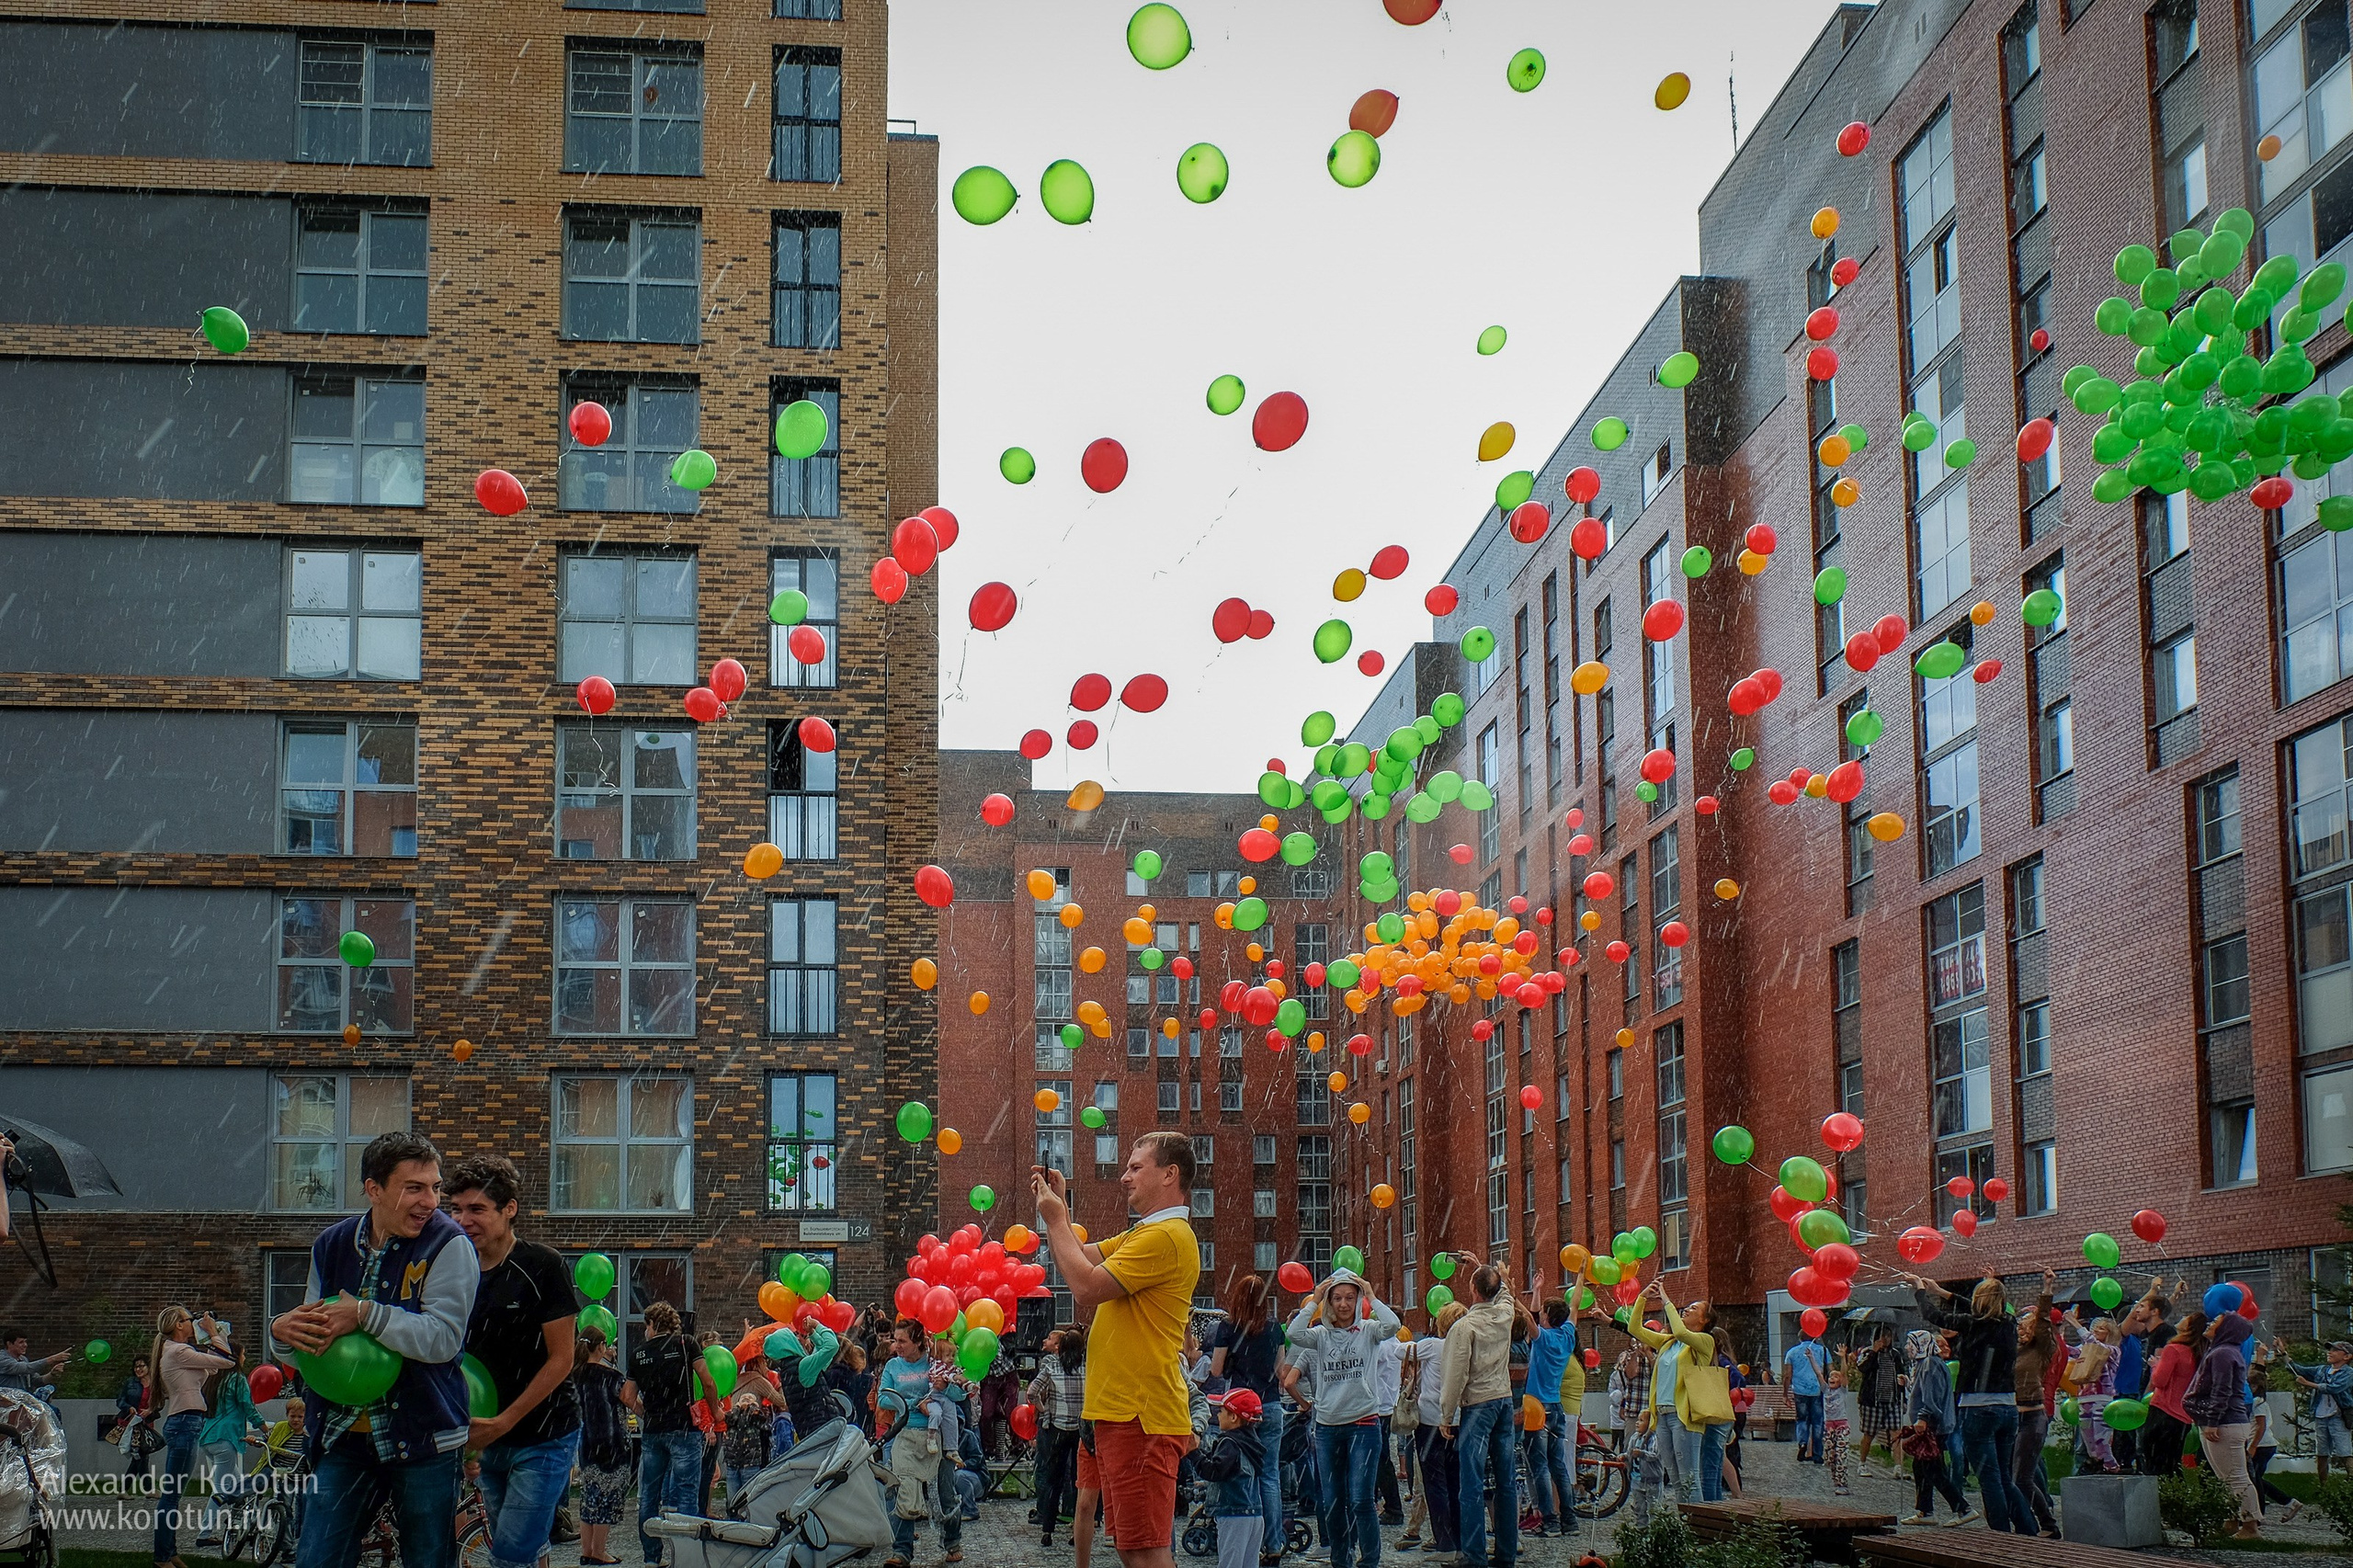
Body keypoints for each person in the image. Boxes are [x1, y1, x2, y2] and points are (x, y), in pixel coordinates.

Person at [272, 1131, 478, 1568]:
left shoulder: (449, 1244)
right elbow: (315, 1345)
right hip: (341, 1436)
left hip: (425, 1438)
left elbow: (444, 1339)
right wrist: (281, 1333)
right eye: (414, 1188)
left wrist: (365, 1313)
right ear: (374, 1189)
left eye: (435, 1187)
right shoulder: (331, 1244)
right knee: (317, 1559)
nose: (430, 1202)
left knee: (427, 1561)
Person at [1031, 1131, 1201, 1568]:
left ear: (1170, 1174)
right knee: (1132, 1546)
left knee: (1145, 1550)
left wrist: (1055, 1219)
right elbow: (1081, 1254)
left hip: (1140, 1415)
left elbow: (1086, 1286)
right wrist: (1060, 1208)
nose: (1124, 1177)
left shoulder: (1166, 1236)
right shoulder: (1147, 1232)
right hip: (1124, 1413)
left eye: (1135, 1167)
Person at [446, 1156, 582, 1568]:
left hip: (545, 1435)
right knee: (525, 1545)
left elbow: (562, 1359)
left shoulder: (542, 1265)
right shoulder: (452, 1271)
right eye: (456, 1209)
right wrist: (471, 1441)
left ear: (509, 1209)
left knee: (509, 1553)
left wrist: (505, 1420)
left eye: (477, 1209)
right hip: (485, 1438)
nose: (463, 1220)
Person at [1905, 1268, 2039, 1535]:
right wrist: (1941, 1291)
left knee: (1989, 1478)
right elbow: (1978, 1308)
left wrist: (1920, 1290)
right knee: (2004, 1477)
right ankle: (2028, 1530)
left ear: (1980, 1302)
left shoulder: (1973, 1324)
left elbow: (1934, 1315)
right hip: (2007, 1407)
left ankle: (2001, 1535)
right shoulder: (2009, 1322)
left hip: (1978, 1408)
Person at [1285, 1269, 1401, 1568]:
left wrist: (1372, 1294)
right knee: (1333, 1503)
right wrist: (1315, 1299)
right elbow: (1294, 1334)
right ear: (1330, 1302)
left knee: (1361, 1499)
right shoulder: (1320, 1336)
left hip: (1364, 1424)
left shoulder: (1369, 1331)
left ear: (1358, 1300)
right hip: (1327, 1427)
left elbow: (1393, 1325)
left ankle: (1369, 1561)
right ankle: (1341, 1559)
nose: (1344, 1304)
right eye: (1337, 1298)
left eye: (1350, 1297)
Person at [620, 1302, 719, 1565]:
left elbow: (627, 1396)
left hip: (654, 1431)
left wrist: (647, 1413)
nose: (645, 1331)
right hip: (684, 1428)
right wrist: (716, 1411)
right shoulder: (685, 1344)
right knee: (687, 1492)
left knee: (649, 1496)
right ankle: (685, 1557)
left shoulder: (639, 1353)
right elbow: (708, 1381)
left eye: (646, 1326)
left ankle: (652, 1557)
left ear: (653, 1324)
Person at [1438, 1259, 1517, 1568]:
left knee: (1470, 1483)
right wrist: (1503, 1277)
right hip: (1504, 1400)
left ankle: (1474, 1555)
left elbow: (1455, 1374)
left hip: (1477, 1405)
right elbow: (1506, 1296)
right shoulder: (1505, 1314)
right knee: (1506, 1481)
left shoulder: (1464, 1327)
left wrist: (1447, 1415)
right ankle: (1506, 1554)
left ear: (1472, 1289)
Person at [876, 1317, 970, 1567]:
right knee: (902, 1491)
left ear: (918, 1342)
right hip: (905, 1433)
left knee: (945, 1493)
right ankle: (902, 1551)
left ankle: (953, 1542)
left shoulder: (935, 1360)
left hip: (937, 1435)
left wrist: (944, 1387)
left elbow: (959, 1394)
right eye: (896, 1340)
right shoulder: (893, 1366)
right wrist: (915, 1404)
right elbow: (883, 1399)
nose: (897, 1345)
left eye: (902, 1341)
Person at [1206, 1278, 1284, 1563]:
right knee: (1270, 1475)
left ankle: (1243, 1532)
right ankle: (1273, 1543)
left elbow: (1216, 1370)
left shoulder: (1228, 1327)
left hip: (1239, 1409)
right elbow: (1281, 1371)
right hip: (1270, 1405)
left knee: (1240, 1473)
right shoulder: (1275, 1327)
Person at [1627, 1284, 1726, 1503]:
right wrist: (1642, 1297)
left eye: (1694, 1308)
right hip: (1662, 1415)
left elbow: (1681, 1331)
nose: (1687, 1309)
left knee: (1689, 1478)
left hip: (1684, 1417)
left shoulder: (1705, 1341)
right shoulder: (1669, 1342)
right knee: (1675, 1478)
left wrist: (1665, 1299)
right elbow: (1635, 1328)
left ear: (1704, 1320)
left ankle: (1696, 1521)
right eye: (1688, 1307)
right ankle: (1684, 1520)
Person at [2188, 1311, 2261, 1538]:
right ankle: (2231, 1522)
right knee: (2225, 1478)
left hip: (2224, 1423)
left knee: (2236, 1477)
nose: (2210, 1323)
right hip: (2222, 1422)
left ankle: (2250, 1527)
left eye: (2216, 1321)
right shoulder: (2221, 1351)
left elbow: (2222, 1390)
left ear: (2227, 1329)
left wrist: (2213, 1421)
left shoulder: (2223, 1353)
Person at [1518, 1297, 1578, 1538]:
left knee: (1540, 1467)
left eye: (1543, 1311)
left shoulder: (1543, 1338)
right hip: (1556, 1407)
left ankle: (1550, 1521)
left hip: (1537, 1409)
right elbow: (1575, 1305)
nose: (1539, 1315)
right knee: (1558, 1465)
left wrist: (1511, 1293)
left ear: (1548, 1315)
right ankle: (1570, 1521)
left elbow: (1526, 1317)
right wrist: (1581, 1278)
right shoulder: (1568, 1336)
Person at [1896, 1329, 1968, 1526]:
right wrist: (1908, 1383)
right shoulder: (1925, 1364)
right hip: (1931, 1424)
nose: (1907, 1347)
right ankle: (1926, 1511)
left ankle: (1962, 1508)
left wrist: (1923, 1418)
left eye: (1910, 1343)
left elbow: (1932, 1395)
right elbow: (1922, 1391)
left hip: (1932, 1426)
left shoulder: (1930, 1364)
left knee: (1933, 1470)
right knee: (1922, 1467)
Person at [1405, 1302, 1461, 1557]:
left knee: (1434, 1482)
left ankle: (1444, 1542)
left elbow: (1401, 1352)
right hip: (1458, 1419)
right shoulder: (1466, 1346)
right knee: (1455, 1482)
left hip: (1430, 1421)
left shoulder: (1433, 1345)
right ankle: (1459, 1540)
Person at [571, 1328, 631, 1566]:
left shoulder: (574, 1375)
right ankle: (600, 1551)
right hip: (611, 1443)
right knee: (607, 1498)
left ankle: (587, 1550)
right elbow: (630, 1400)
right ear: (601, 1347)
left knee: (589, 1497)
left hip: (586, 1444)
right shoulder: (611, 1376)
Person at [1028, 1326, 1086, 1550]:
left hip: (1057, 1429)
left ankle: (1048, 1530)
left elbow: (1032, 1392)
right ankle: (1076, 1528)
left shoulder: (1052, 1367)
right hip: (1080, 1430)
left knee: (1054, 1479)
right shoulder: (1087, 1368)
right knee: (1078, 1481)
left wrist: (1044, 1409)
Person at [2012, 1287, 2064, 1536]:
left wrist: (2046, 1289)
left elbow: (2043, 1322)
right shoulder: (2017, 1350)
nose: (2021, 1331)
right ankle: (2033, 1524)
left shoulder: (2042, 1349)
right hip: (2013, 1416)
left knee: (2022, 1478)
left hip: (2033, 1416)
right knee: (2017, 1477)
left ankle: (2045, 1526)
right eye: (2020, 1327)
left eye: (2026, 1327)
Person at [193, 1356, 259, 1548]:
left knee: (240, 1487)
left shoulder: (215, 1378)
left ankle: (240, 1526)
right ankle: (204, 1534)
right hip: (225, 1439)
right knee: (221, 1490)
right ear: (236, 1357)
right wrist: (264, 1427)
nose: (245, 1357)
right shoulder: (237, 1379)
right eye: (243, 1354)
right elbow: (248, 1405)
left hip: (208, 1437)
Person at [1197, 1389, 1267, 1568]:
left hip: (1233, 1512)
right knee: (1250, 1563)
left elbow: (1215, 1472)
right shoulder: (1253, 1442)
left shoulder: (1229, 1442)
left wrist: (1194, 1454)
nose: (1218, 1415)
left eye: (1221, 1411)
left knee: (1230, 1563)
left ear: (1234, 1417)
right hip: (1254, 1513)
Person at [2279, 1335, 2353, 1484]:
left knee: (2344, 1450)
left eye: (2335, 1350)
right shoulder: (2321, 1370)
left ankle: (2351, 1480)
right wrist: (2283, 1353)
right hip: (2321, 1415)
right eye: (2330, 1350)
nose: (2330, 1352)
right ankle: (2323, 1486)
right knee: (2322, 1452)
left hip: (2338, 1417)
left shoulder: (2349, 1373)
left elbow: (2334, 1388)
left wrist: (2307, 1383)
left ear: (2347, 1356)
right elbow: (2297, 1369)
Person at [2143, 1312, 2206, 1477]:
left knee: (2153, 1459)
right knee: (2173, 1462)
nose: (2182, 1318)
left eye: (2186, 1318)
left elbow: (2160, 1380)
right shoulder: (2197, 1352)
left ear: (2189, 1327)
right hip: (2183, 1414)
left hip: (2163, 1409)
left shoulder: (2173, 1349)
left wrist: (2155, 1366)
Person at [1857, 1327, 1905, 1475]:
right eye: (1882, 1336)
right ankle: (1862, 1463)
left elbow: (1901, 1376)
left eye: (1888, 1336)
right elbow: (1862, 1368)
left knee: (1896, 1433)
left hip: (1892, 1400)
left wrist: (1903, 1397)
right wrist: (1874, 1352)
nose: (1886, 1339)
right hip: (1872, 1401)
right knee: (1869, 1433)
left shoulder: (1895, 1355)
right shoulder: (1867, 1352)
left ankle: (1898, 1467)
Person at [1782, 1317, 1829, 1464]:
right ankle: (1817, 1453)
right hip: (1817, 1389)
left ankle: (1802, 1443)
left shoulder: (1791, 1352)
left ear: (1800, 1338)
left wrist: (1785, 1394)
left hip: (1799, 1391)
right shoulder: (1822, 1350)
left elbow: (1787, 1375)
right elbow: (1831, 1368)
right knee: (1817, 1422)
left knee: (1802, 1420)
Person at [115, 1356, 156, 1481]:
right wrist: (129, 1408)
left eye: (141, 1366)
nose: (138, 1369)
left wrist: (150, 1410)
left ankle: (124, 1488)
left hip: (146, 1424)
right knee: (140, 1454)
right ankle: (148, 1488)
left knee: (139, 1455)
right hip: (130, 1423)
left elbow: (160, 1403)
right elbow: (120, 1400)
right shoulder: (130, 1383)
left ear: (149, 1367)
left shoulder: (155, 1383)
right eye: (136, 1367)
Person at [1822, 1356, 1853, 1496]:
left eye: (1835, 1376)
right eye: (1830, 1376)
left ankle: (1843, 1484)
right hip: (1829, 1427)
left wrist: (1843, 1358)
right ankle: (1836, 1482)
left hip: (1842, 1426)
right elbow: (1818, 1374)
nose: (1832, 1378)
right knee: (1831, 1458)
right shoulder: (1826, 1390)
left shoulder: (1842, 1391)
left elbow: (1844, 1374)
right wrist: (1810, 1358)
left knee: (1841, 1455)